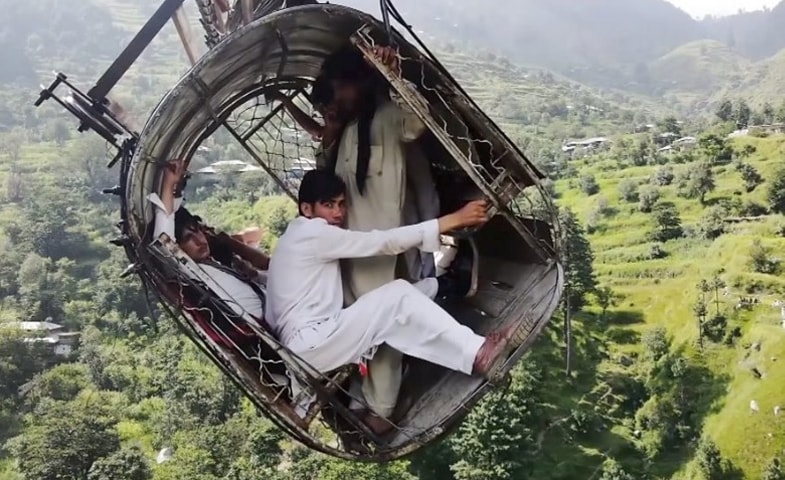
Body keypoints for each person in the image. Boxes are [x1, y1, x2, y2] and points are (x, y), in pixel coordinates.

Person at [265, 170, 518, 435]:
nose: (338, 213)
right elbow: (381, 242)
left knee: (395, 301)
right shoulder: (314, 233)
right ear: (306, 208)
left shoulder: (289, 239)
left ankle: (450, 287)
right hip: (310, 344)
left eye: (341, 204)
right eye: (328, 205)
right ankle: (479, 353)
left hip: (305, 345)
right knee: (396, 297)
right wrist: (451, 221)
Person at [149, 159, 270, 323]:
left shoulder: (211, 262)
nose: (199, 240)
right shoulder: (188, 270)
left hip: (271, 308)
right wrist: (169, 184)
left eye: (197, 231)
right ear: (178, 247)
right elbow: (163, 240)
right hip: (266, 321)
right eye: (188, 239)